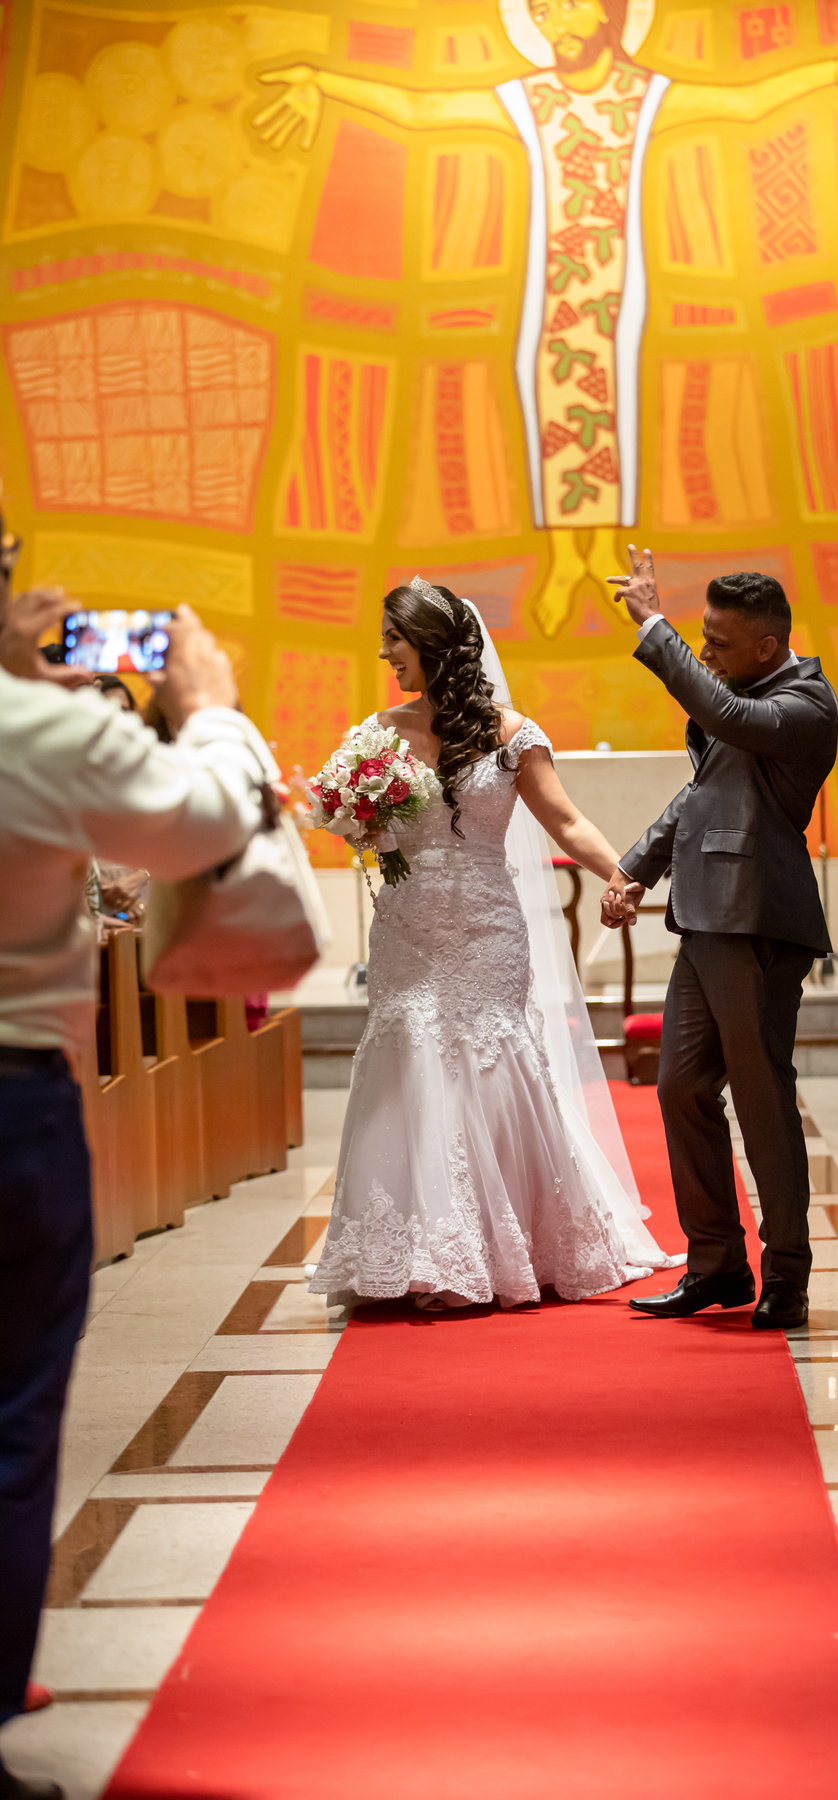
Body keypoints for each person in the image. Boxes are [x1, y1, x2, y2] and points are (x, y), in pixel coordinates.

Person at [251, 0, 838, 636]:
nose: (553, 22)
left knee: (616, 409)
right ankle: (568, 558)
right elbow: (422, 109)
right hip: (556, 296)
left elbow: (745, 101)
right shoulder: (531, 98)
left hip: (618, 295)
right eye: (540, 12)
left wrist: (834, 70)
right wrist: (323, 83)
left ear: (609, 11)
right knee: (553, 407)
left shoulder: (643, 94)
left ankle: (599, 552)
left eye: (568, 6)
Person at [0, 582, 282, 1800]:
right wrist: (208, 706)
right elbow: (209, 823)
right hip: (9, 1096)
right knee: (12, 1415)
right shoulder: (41, 727)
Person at [308, 577, 682, 1312]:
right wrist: (354, 816)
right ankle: (415, 1250)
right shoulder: (377, 733)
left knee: (488, 1054)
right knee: (410, 1051)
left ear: (433, 645)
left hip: (486, 925)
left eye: (395, 639)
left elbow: (566, 821)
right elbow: (351, 822)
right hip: (408, 925)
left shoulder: (514, 735)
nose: (385, 654)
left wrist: (624, 875)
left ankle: (496, 1245)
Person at [602, 553, 838, 1330]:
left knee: (762, 1099)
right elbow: (701, 795)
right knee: (680, 1088)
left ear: (768, 645)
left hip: (758, 921)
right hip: (705, 917)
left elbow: (725, 718)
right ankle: (716, 1264)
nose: (705, 651)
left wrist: (653, 624)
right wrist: (635, 868)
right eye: (699, 636)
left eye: (719, 641)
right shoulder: (745, 693)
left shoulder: (804, 703)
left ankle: (788, 1274)